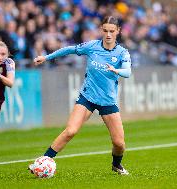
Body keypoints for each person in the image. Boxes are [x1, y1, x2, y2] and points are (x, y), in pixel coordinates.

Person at [31, 16, 132, 175]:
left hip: (108, 101)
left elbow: (128, 72)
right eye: (105, 30)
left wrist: (116, 70)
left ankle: (116, 165)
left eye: (112, 31)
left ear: (118, 31)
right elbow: (69, 49)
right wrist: (46, 57)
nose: (108, 34)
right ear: (101, 30)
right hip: (88, 97)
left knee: (119, 144)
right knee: (70, 131)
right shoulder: (92, 46)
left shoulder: (122, 53)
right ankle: (42, 162)